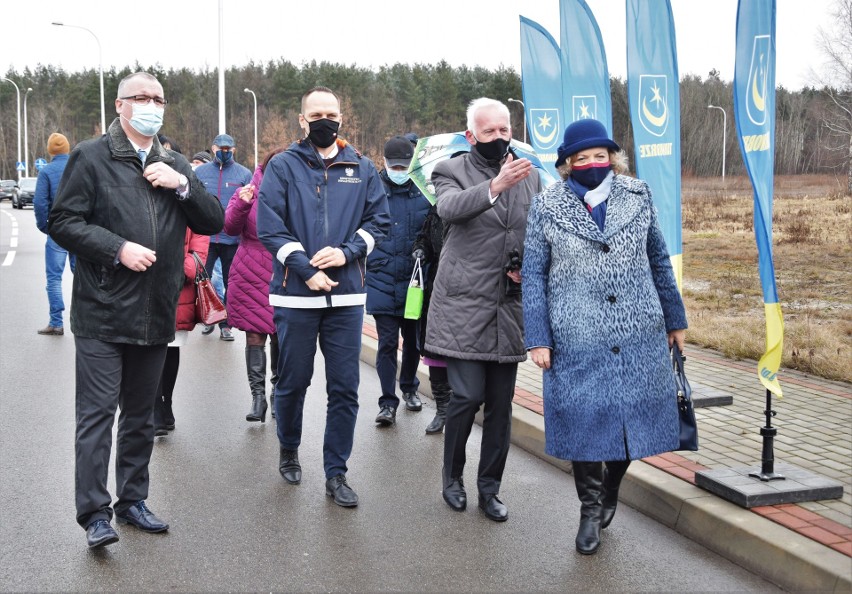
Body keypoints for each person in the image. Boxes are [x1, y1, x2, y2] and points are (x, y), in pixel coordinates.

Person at [48, 71, 224, 549]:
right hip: (103, 310)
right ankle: (94, 514)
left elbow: (213, 219)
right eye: (142, 98)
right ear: (121, 106)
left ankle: (132, 502)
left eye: (159, 98)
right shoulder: (92, 156)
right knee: (98, 415)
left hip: (155, 310)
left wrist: (182, 185)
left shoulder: (174, 161)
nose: (152, 105)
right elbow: (61, 221)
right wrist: (117, 248)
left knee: (141, 415)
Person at [522, 119, 687, 555]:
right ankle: (590, 509)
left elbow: (658, 259)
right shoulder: (547, 205)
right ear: (567, 164)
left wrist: (676, 319)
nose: (593, 164)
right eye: (583, 158)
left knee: (632, 420)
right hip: (576, 335)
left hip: (639, 331)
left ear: (613, 158)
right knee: (584, 423)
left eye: (601, 156)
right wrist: (538, 337)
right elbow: (534, 277)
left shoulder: (639, 194)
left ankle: (611, 487)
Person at [258, 86, 389, 508]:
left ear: (341, 116)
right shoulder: (282, 166)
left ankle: (337, 472)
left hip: (346, 299)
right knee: (293, 382)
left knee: (345, 388)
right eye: (315, 114)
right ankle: (289, 448)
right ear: (302, 120)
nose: (324, 121)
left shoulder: (362, 167)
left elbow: (379, 222)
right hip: (295, 297)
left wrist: (348, 251)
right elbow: (269, 226)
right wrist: (306, 270)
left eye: (331, 113)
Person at [425, 97, 541, 522]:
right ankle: (451, 478)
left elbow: (537, 230)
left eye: (505, 129)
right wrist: (495, 187)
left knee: (500, 405)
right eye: (489, 131)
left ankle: (489, 489)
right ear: (471, 135)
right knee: (467, 395)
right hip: (462, 305)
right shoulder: (450, 169)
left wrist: (526, 264)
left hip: (508, 306)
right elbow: (448, 209)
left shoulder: (529, 175)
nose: (499, 137)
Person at [367, 135, 431, 427]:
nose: (399, 170)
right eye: (394, 165)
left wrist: (425, 251)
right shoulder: (373, 191)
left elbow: (434, 231)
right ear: (384, 162)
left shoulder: (424, 191)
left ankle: (409, 387)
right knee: (386, 344)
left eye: (404, 165)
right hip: (381, 278)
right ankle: (386, 402)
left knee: (414, 342)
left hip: (415, 280)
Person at [223, 148, 285, 423]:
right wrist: (242, 204)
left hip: (285, 267)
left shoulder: (297, 192)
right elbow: (230, 228)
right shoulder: (247, 191)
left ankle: (278, 395)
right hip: (250, 269)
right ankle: (257, 398)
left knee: (282, 336)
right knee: (254, 335)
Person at [194, 133, 252, 341]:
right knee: (204, 282)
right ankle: (208, 318)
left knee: (230, 283)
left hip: (232, 240)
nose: (224, 152)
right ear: (213, 148)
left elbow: (250, 206)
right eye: (220, 149)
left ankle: (226, 324)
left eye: (228, 149)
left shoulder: (244, 174)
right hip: (206, 239)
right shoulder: (200, 173)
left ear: (234, 150)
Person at [153, 229, 209, 435]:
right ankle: (156, 406)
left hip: (179, 287)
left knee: (172, 346)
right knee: (153, 347)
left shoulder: (190, 199)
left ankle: (166, 403)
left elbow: (200, 245)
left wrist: (179, 267)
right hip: (150, 282)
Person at [410, 204, 452, 434]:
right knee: (434, 347)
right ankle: (442, 408)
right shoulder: (438, 208)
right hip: (437, 286)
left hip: (472, 288)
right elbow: (424, 238)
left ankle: (456, 408)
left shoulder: (483, 204)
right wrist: (421, 249)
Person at [33, 132, 76, 336]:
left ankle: (56, 323)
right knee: (83, 276)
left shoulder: (47, 172)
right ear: (67, 148)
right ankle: (83, 321)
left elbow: (40, 203)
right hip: (80, 231)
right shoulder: (78, 168)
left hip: (57, 231)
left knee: (54, 278)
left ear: (51, 150)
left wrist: (46, 227)